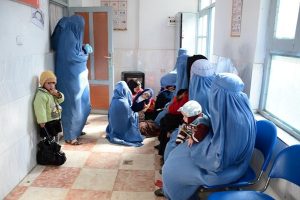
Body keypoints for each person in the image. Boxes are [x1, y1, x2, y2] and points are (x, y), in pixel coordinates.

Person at [160, 73, 256, 200]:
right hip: (217, 155)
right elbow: (216, 127)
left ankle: (179, 195)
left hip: (224, 168)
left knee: (172, 169)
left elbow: (218, 160)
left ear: (219, 94)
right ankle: (180, 191)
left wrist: (197, 146)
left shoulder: (237, 123)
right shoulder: (236, 107)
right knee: (176, 154)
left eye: (214, 92)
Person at [51, 15, 93, 145]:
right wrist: (85, 53)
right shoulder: (68, 37)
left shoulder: (71, 36)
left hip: (78, 78)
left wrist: (82, 48)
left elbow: (75, 51)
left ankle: (77, 129)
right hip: (70, 79)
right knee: (72, 106)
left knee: (84, 104)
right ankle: (70, 136)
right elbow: (72, 58)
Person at [106, 81, 144, 147]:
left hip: (113, 127)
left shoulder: (113, 100)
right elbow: (131, 115)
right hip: (124, 128)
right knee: (135, 114)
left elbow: (109, 114)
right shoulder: (124, 102)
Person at [33, 71, 64, 139]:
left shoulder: (53, 92)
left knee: (56, 135)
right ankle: (51, 149)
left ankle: (56, 148)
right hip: (48, 122)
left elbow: (61, 100)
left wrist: (57, 94)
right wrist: (42, 121)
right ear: (43, 83)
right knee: (49, 137)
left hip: (56, 118)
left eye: (53, 83)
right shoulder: (41, 95)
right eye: (48, 83)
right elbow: (40, 109)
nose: (51, 85)